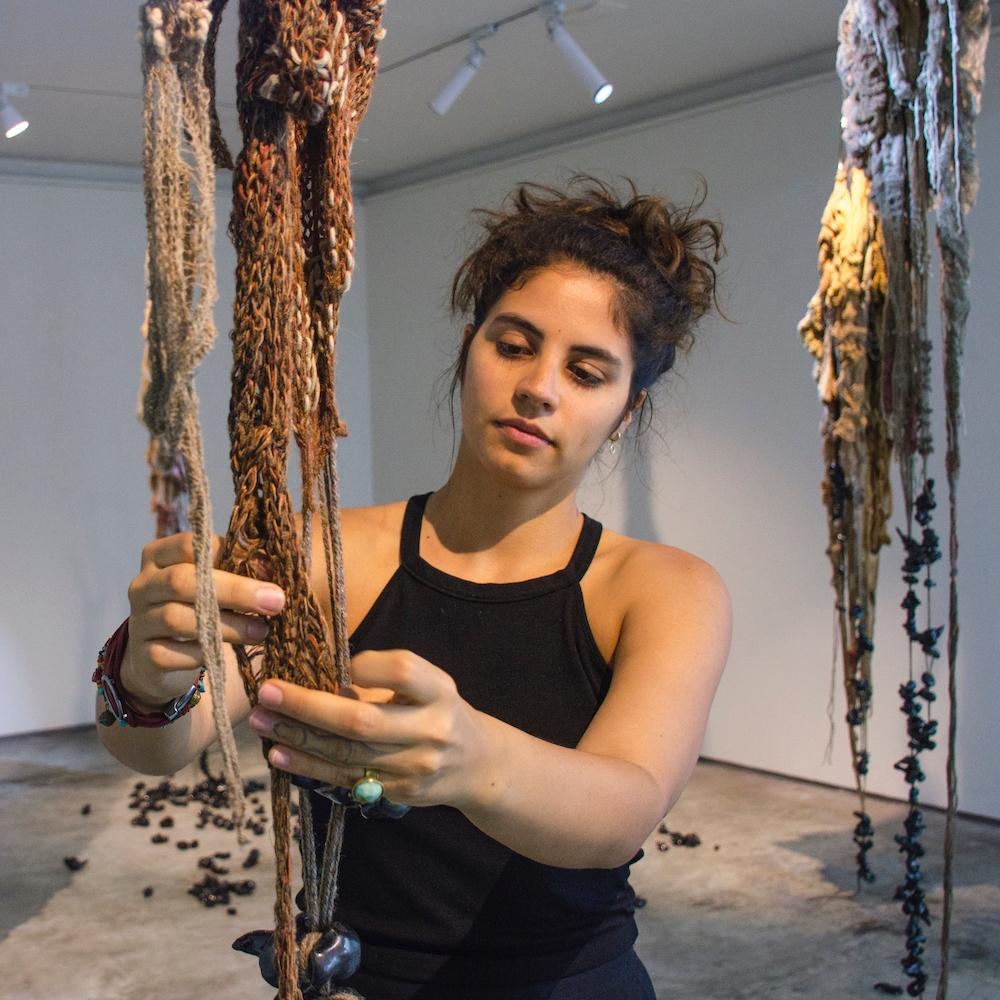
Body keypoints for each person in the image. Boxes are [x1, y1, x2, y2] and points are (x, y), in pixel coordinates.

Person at [101, 177, 732, 999]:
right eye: (513, 344)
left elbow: (625, 810)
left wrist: (471, 758)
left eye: (585, 371)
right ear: (469, 348)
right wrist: (151, 676)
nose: (539, 386)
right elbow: (160, 747)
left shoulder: (664, 590)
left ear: (625, 409)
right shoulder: (325, 552)